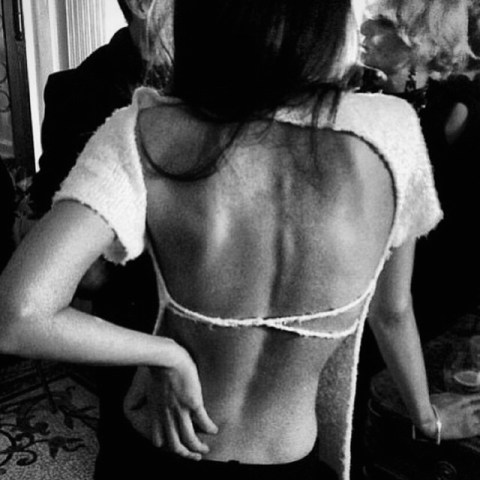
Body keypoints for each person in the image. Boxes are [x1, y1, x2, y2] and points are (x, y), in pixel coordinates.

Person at [1, 1, 480, 479]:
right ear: (330, 24)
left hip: (159, 445)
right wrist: (427, 419)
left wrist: (165, 354)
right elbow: (392, 312)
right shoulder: (392, 134)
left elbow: (19, 316)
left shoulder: (143, 129)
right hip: (285, 455)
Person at [361, 0, 480, 342]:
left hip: (435, 295)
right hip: (367, 286)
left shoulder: (459, 109)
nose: (365, 29)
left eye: (383, 23)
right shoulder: (356, 97)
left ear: (422, 39)